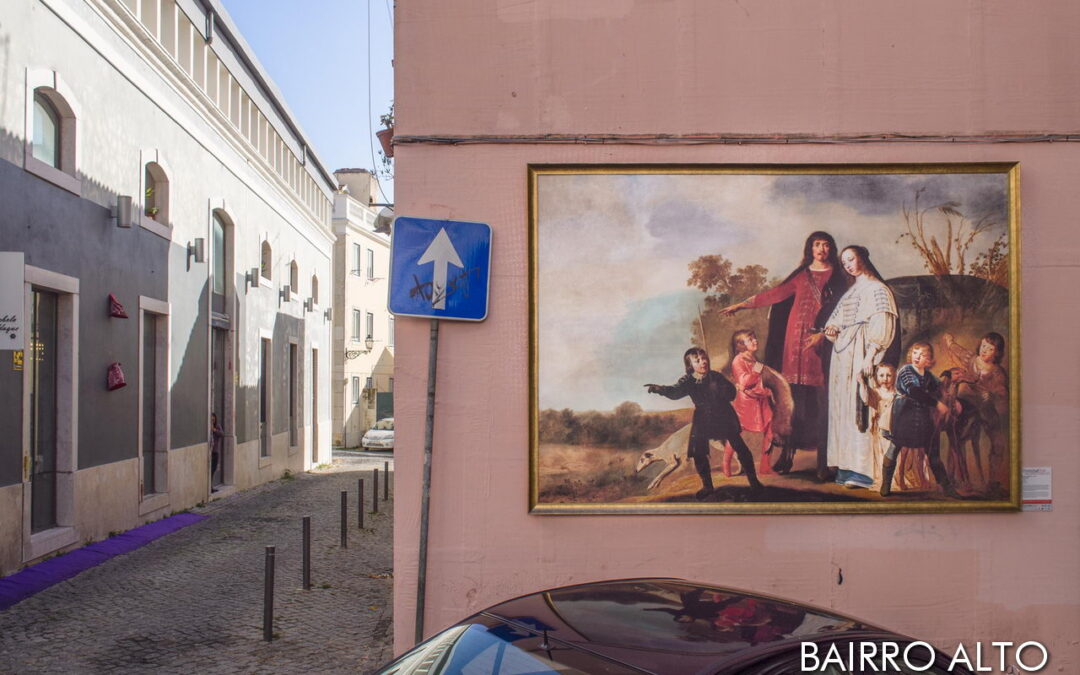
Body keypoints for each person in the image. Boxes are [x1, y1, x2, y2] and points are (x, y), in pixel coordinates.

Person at [720, 232, 848, 480]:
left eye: (826, 245)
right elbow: (774, 295)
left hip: (821, 348)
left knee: (820, 405)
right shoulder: (802, 275)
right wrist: (741, 305)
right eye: (816, 244)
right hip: (793, 348)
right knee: (789, 402)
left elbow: (843, 312)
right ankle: (786, 455)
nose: (821, 249)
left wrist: (823, 334)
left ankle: (824, 462)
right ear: (810, 248)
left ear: (831, 249)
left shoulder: (840, 279)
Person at [821, 245, 901, 489]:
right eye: (844, 262)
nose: (848, 265)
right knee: (843, 411)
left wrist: (871, 356)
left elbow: (883, 325)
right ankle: (846, 468)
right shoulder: (851, 292)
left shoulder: (878, 290)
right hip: (842, 358)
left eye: (851, 259)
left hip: (862, 355)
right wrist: (832, 330)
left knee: (861, 410)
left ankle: (865, 472)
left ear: (862, 258)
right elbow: (832, 323)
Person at [645, 348, 763, 499]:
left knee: (740, 448)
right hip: (703, 418)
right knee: (698, 452)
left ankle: (754, 483)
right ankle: (707, 486)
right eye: (697, 360)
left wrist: (720, 388)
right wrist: (659, 389)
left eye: (704, 358)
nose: (703, 361)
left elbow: (732, 394)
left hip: (723, 415)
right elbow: (675, 393)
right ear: (690, 365)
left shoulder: (716, 377)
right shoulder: (687, 381)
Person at [880, 343, 959, 498]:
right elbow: (914, 391)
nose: (917, 356)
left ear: (928, 360)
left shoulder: (928, 376)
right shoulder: (906, 371)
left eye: (922, 355)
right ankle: (886, 483)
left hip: (923, 417)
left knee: (933, 453)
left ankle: (947, 488)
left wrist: (949, 384)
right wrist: (937, 404)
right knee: (894, 447)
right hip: (904, 414)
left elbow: (940, 387)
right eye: (915, 353)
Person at [944, 331, 1008, 490]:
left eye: (990, 348)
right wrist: (950, 341)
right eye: (984, 345)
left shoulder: (998, 372)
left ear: (998, 353)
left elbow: (1003, 395)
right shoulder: (972, 359)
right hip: (967, 403)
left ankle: (993, 482)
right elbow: (959, 351)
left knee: (999, 442)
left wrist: (991, 396)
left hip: (986, 408)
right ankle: (951, 479)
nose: (984, 350)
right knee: (957, 437)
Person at [728, 329, 775, 476]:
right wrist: (756, 371)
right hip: (746, 404)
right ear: (741, 344)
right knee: (735, 433)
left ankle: (765, 467)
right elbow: (745, 382)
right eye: (750, 339)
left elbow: (757, 382)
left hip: (760, 400)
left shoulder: (754, 359)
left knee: (771, 428)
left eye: (754, 338)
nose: (755, 341)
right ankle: (726, 464)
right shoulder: (738, 360)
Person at [867, 363, 897, 490]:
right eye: (881, 375)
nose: (885, 379)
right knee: (880, 452)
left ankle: (894, 478)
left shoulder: (897, 392)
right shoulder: (875, 392)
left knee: (892, 452)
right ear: (876, 377)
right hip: (880, 428)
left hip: (894, 428)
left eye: (889, 375)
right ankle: (881, 477)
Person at [210, 412, 224, 490]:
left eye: (214, 418)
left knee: (213, 469)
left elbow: (222, 434)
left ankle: (211, 486)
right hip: (210, 452)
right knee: (210, 470)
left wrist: (214, 430)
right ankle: (210, 487)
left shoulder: (217, 426)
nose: (212, 419)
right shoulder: (207, 427)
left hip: (215, 451)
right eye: (211, 418)